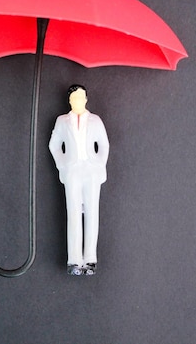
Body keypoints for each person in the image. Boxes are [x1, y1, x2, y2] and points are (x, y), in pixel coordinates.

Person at [49, 84, 109, 275]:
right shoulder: (62, 121)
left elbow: (104, 144)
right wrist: (63, 165)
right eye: (75, 98)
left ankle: (90, 259)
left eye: (81, 97)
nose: (78, 101)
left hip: (91, 171)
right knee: (73, 213)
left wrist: (99, 165)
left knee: (92, 213)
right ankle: (74, 260)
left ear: (86, 99)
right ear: (69, 100)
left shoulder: (95, 120)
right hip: (73, 171)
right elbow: (54, 145)